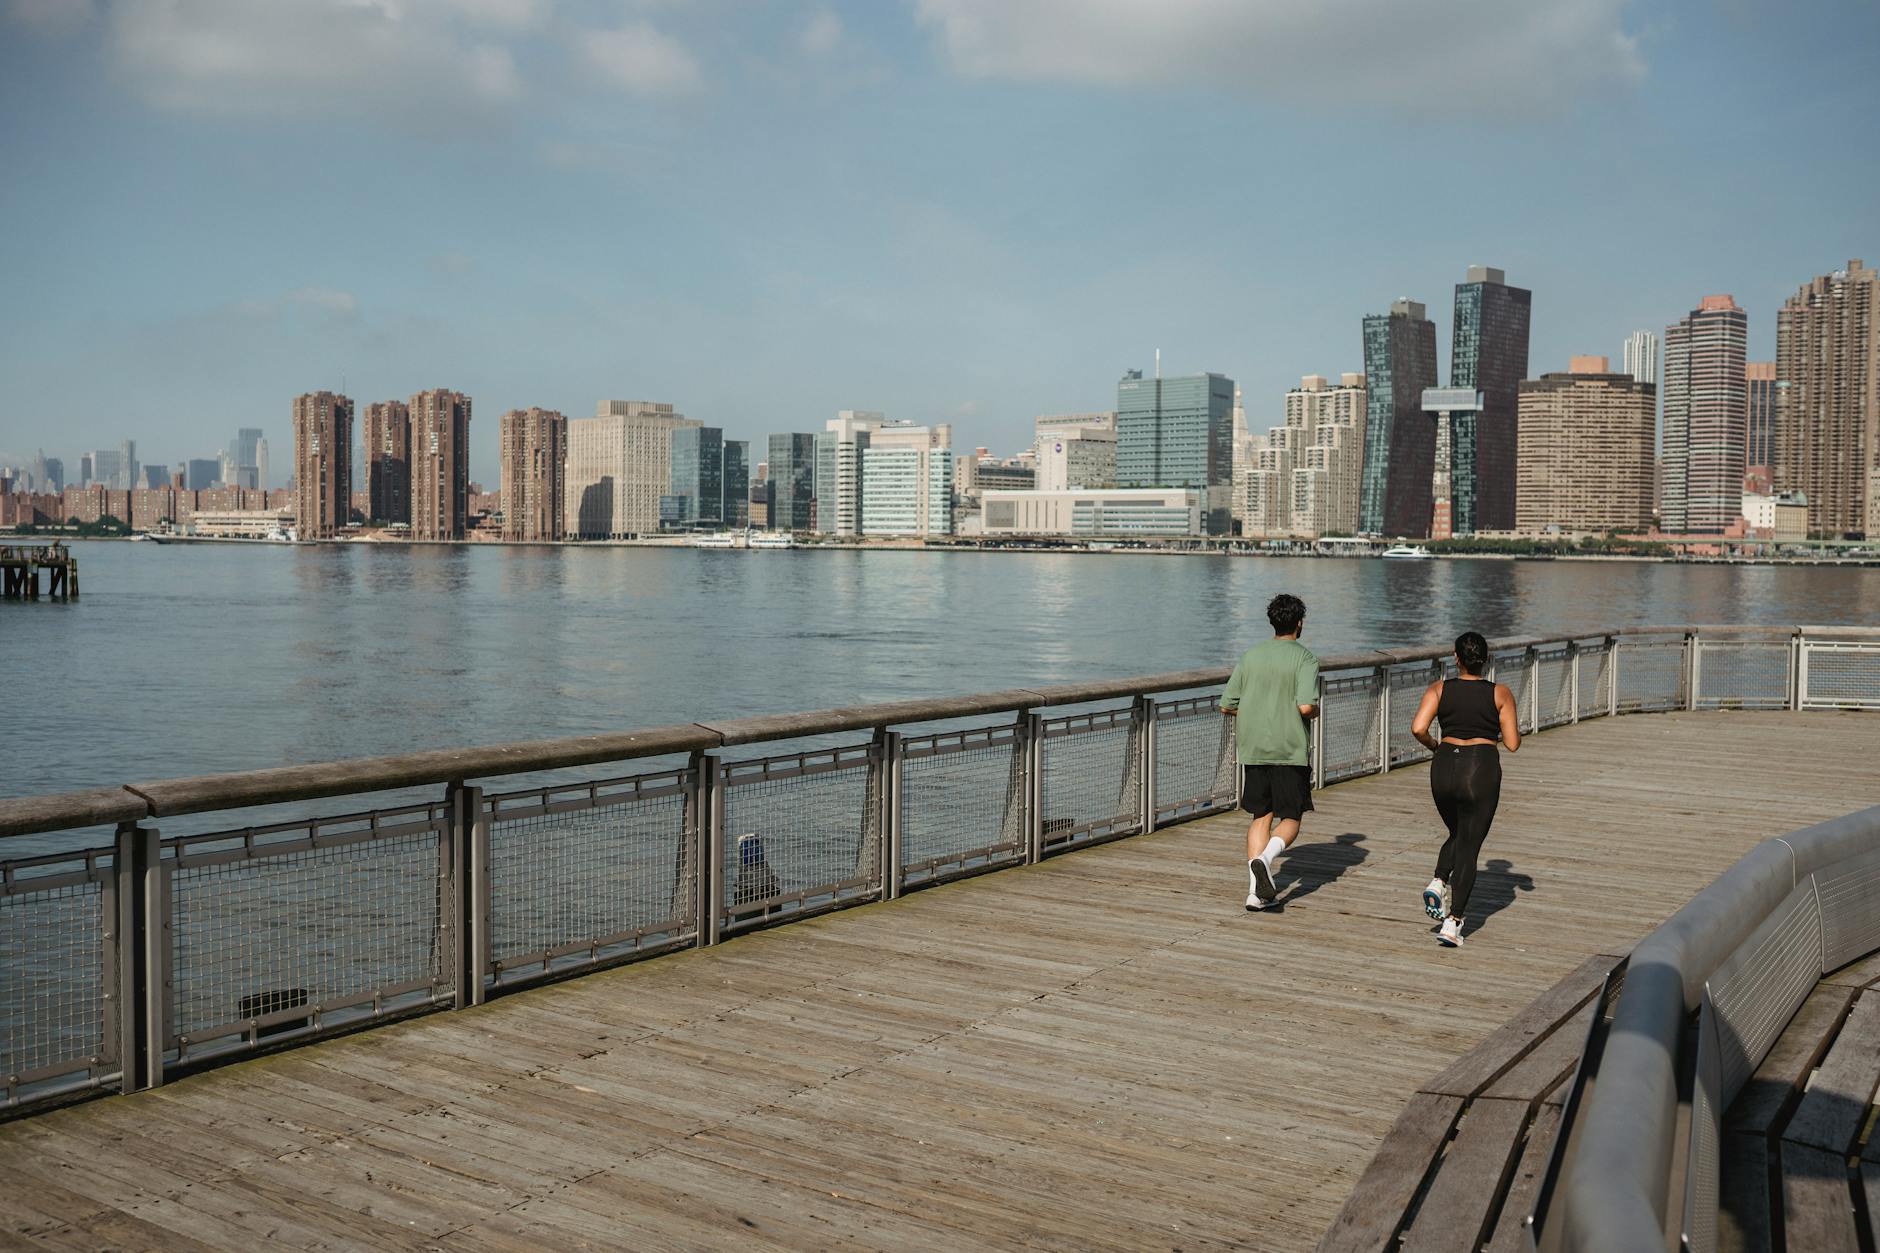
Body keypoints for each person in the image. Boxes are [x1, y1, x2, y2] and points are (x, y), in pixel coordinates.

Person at [1409, 631, 1522, 947]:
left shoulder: (1439, 688)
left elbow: (1418, 727)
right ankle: (1453, 923)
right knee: (1469, 844)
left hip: (1443, 766)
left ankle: (1438, 880)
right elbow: (1512, 743)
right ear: (1485, 660)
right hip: (1480, 767)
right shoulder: (1500, 693)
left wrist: (1435, 744)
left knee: (1458, 832)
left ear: (1456, 658)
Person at [1221, 593, 1320, 911]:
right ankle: (1265, 859)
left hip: (1253, 746)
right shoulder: (1305, 658)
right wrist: (1313, 711)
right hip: (1288, 747)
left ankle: (1255, 894)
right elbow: (1305, 706)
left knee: (1260, 815)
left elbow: (1227, 705)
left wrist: (1256, 712)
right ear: (1299, 623)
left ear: (1272, 622)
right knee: (1291, 816)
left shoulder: (1250, 656)